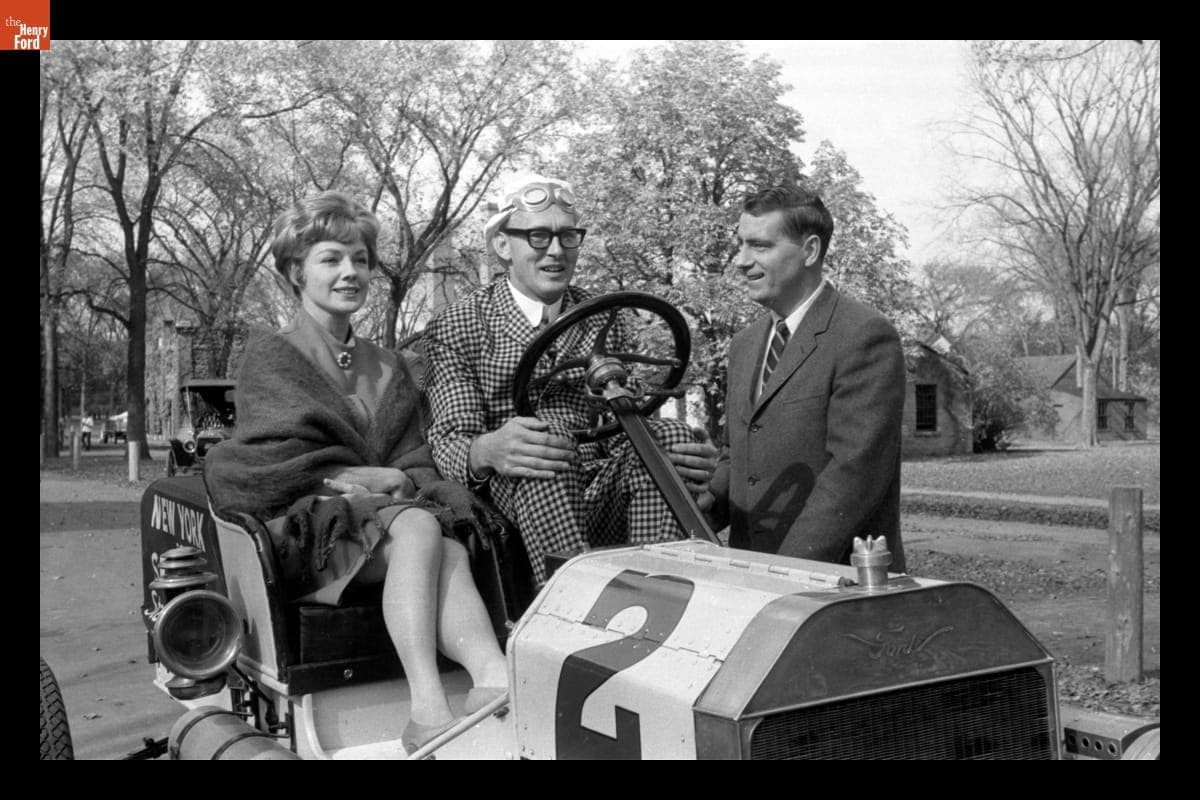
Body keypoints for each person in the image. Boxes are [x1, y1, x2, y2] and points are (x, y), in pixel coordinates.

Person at [204, 191, 508, 755]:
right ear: (296, 271)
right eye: (331, 259)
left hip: (386, 526)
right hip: (301, 529)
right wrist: (365, 479)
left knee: (452, 548)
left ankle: (493, 678)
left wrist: (399, 483)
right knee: (421, 531)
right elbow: (269, 463)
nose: (350, 273)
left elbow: (413, 462)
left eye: (360, 260)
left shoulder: (391, 365)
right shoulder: (271, 356)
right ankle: (427, 707)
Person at [422, 174, 717, 586]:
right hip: (516, 494)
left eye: (568, 236)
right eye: (539, 237)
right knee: (549, 442)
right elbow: (450, 441)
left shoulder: (600, 314)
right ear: (503, 245)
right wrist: (487, 449)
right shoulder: (459, 324)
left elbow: (620, 427)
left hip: (597, 487)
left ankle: (662, 594)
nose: (557, 251)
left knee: (667, 435)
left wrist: (685, 451)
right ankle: (571, 605)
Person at [705, 185, 907, 572]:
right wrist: (708, 503)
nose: (740, 261)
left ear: (810, 251)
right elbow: (738, 458)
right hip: (752, 578)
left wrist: (786, 575)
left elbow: (853, 476)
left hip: (838, 588)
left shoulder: (864, 336)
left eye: (759, 246)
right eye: (740, 244)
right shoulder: (744, 346)